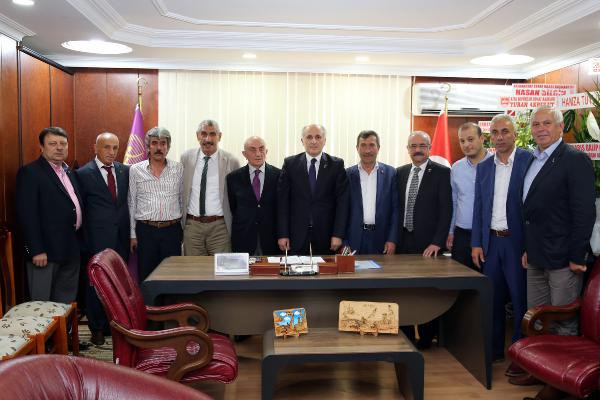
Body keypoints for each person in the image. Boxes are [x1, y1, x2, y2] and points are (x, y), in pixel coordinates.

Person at [523, 106, 595, 334]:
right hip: (535, 257)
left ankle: (564, 360)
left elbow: (584, 212)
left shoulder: (575, 159)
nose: (541, 129)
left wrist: (577, 256)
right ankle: (538, 359)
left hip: (563, 260)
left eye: (547, 123)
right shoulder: (532, 159)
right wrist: (527, 249)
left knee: (563, 324)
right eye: (536, 124)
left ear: (561, 126)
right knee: (537, 321)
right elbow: (531, 211)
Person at [471, 114, 532, 370]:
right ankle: (494, 350)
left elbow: (535, 208)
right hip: (492, 244)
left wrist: (530, 246)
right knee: (492, 300)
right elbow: (479, 207)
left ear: (515, 133)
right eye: (495, 133)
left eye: (505, 131)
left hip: (517, 243)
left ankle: (519, 355)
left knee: (520, 301)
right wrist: (476, 243)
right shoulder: (484, 166)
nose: (500, 137)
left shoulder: (529, 161)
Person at [396, 131, 452, 349]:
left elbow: (446, 210)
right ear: (408, 149)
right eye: (413, 146)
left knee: (426, 292)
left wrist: (438, 241)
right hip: (403, 241)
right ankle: (407, 336)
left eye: (422, 145)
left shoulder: (442, 173)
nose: (417, 150)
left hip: (429, 244)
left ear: (429, 148)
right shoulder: (400, 172)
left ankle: (427, 337)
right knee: (403, 290)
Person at [16, 127, 82, 303]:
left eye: (63, 144)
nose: (59, 148)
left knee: (65, 305)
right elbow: (27, 215)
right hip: (45, 254)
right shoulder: (30, 173)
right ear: (42, 147)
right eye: (53, 144)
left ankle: (63, 324)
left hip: (71, 249)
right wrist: (36, 250)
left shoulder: (69, 173)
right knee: (42, 305)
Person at [75, 132, 129, 345]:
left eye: (115, 147)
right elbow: (79, 209)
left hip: (121, 239)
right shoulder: (82, 174)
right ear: (95, 148)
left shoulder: (125, 171)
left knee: (117, 284)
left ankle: (113, 325)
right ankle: (96, 327)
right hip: (95, 239)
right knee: (95, 285)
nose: (112, 152)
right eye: (106, 147)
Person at [277, 124, 349, 254]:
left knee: (325, 267)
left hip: (327, 236)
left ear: (324, 140)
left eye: (318, 137)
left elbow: (342, 203)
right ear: (302, 141)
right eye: (309, 137)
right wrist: (283, 234)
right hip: (296, 235)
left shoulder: (336, 165)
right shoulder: (290, 164)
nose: (314, 141)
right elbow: (282, 202)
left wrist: (338, 234)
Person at [128, 127, 183, 282]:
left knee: (172, 276)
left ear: (168, 147)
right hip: (146, 231)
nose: (159, 147)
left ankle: (171, 300)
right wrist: (133, 235)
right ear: (148, 146)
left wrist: (182, 231)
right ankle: (148, 300)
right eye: (154, 143)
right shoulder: (135, 170)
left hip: (172, 230)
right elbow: (132, 202)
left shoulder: (178, 168)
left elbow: (182, 199)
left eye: (163, 143)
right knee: (147, 276)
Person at [181, 120, 240, 255]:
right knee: (194, 267)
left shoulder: (231, 161)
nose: (208, 139)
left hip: (220, 228)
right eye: (204, 134)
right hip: (192, 226)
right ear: (197, 136)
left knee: (221, 267)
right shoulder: (186, 158)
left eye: (212, 134)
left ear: (220, 136)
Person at [345, 130, 398, 254]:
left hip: (382, 239)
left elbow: (395, 210)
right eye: (363, 145)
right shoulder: (347, 175)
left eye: (371, 145)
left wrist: (392, 239)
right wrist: (344, 242)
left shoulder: (391, 173)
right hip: (354, 239)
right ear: (357, 148)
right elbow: (341, 211)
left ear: (378, 148)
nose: (367, 150)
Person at [447, 123, 491, 270]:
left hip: (488, 234)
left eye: (470, 139)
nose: (466, 144)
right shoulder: (456, 168)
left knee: (487, 279)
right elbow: (454, 201)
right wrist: (451, 231)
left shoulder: (496, 164)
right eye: (462, 141)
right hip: (462, 234)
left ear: (482, 139)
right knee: (460, 278)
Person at [226, 136, 281, 255]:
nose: (258, 154)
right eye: (252, 149)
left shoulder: (279, 175)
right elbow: (233, 207)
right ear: (244, 154)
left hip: (272, 238)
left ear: (266, 151)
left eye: (261, 149)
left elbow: (282, 208)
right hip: (244, 236)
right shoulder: (233, 178)